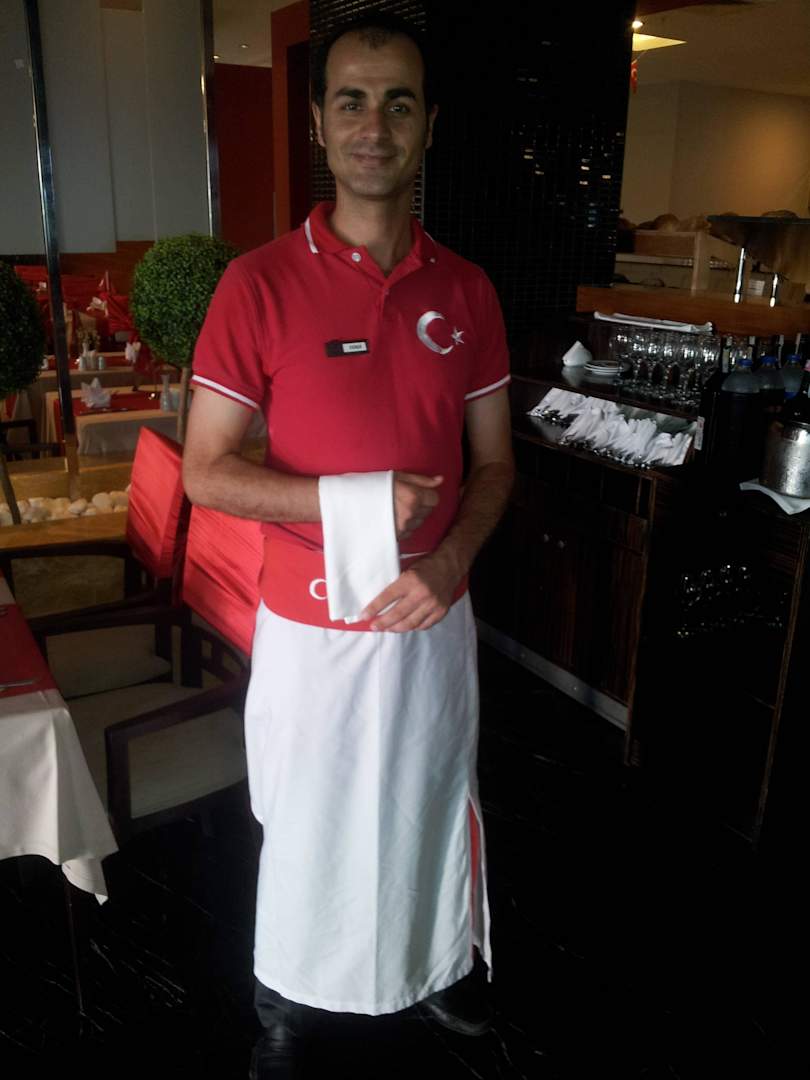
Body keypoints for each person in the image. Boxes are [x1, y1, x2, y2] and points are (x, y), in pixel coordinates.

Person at [182, 11, 514, 1076]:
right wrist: (353, 502)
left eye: (399, 103)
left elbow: (495, 465)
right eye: (353, 101)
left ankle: (434, 967)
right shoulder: (258, 284)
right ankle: (288, 993)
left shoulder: (467, 291)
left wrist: (450, 561)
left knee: (427, 800)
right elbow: (205, 471)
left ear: (429, 126)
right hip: (309, 623)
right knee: (309, 819)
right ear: (321, 124)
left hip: (431, 615)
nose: (376, 126)